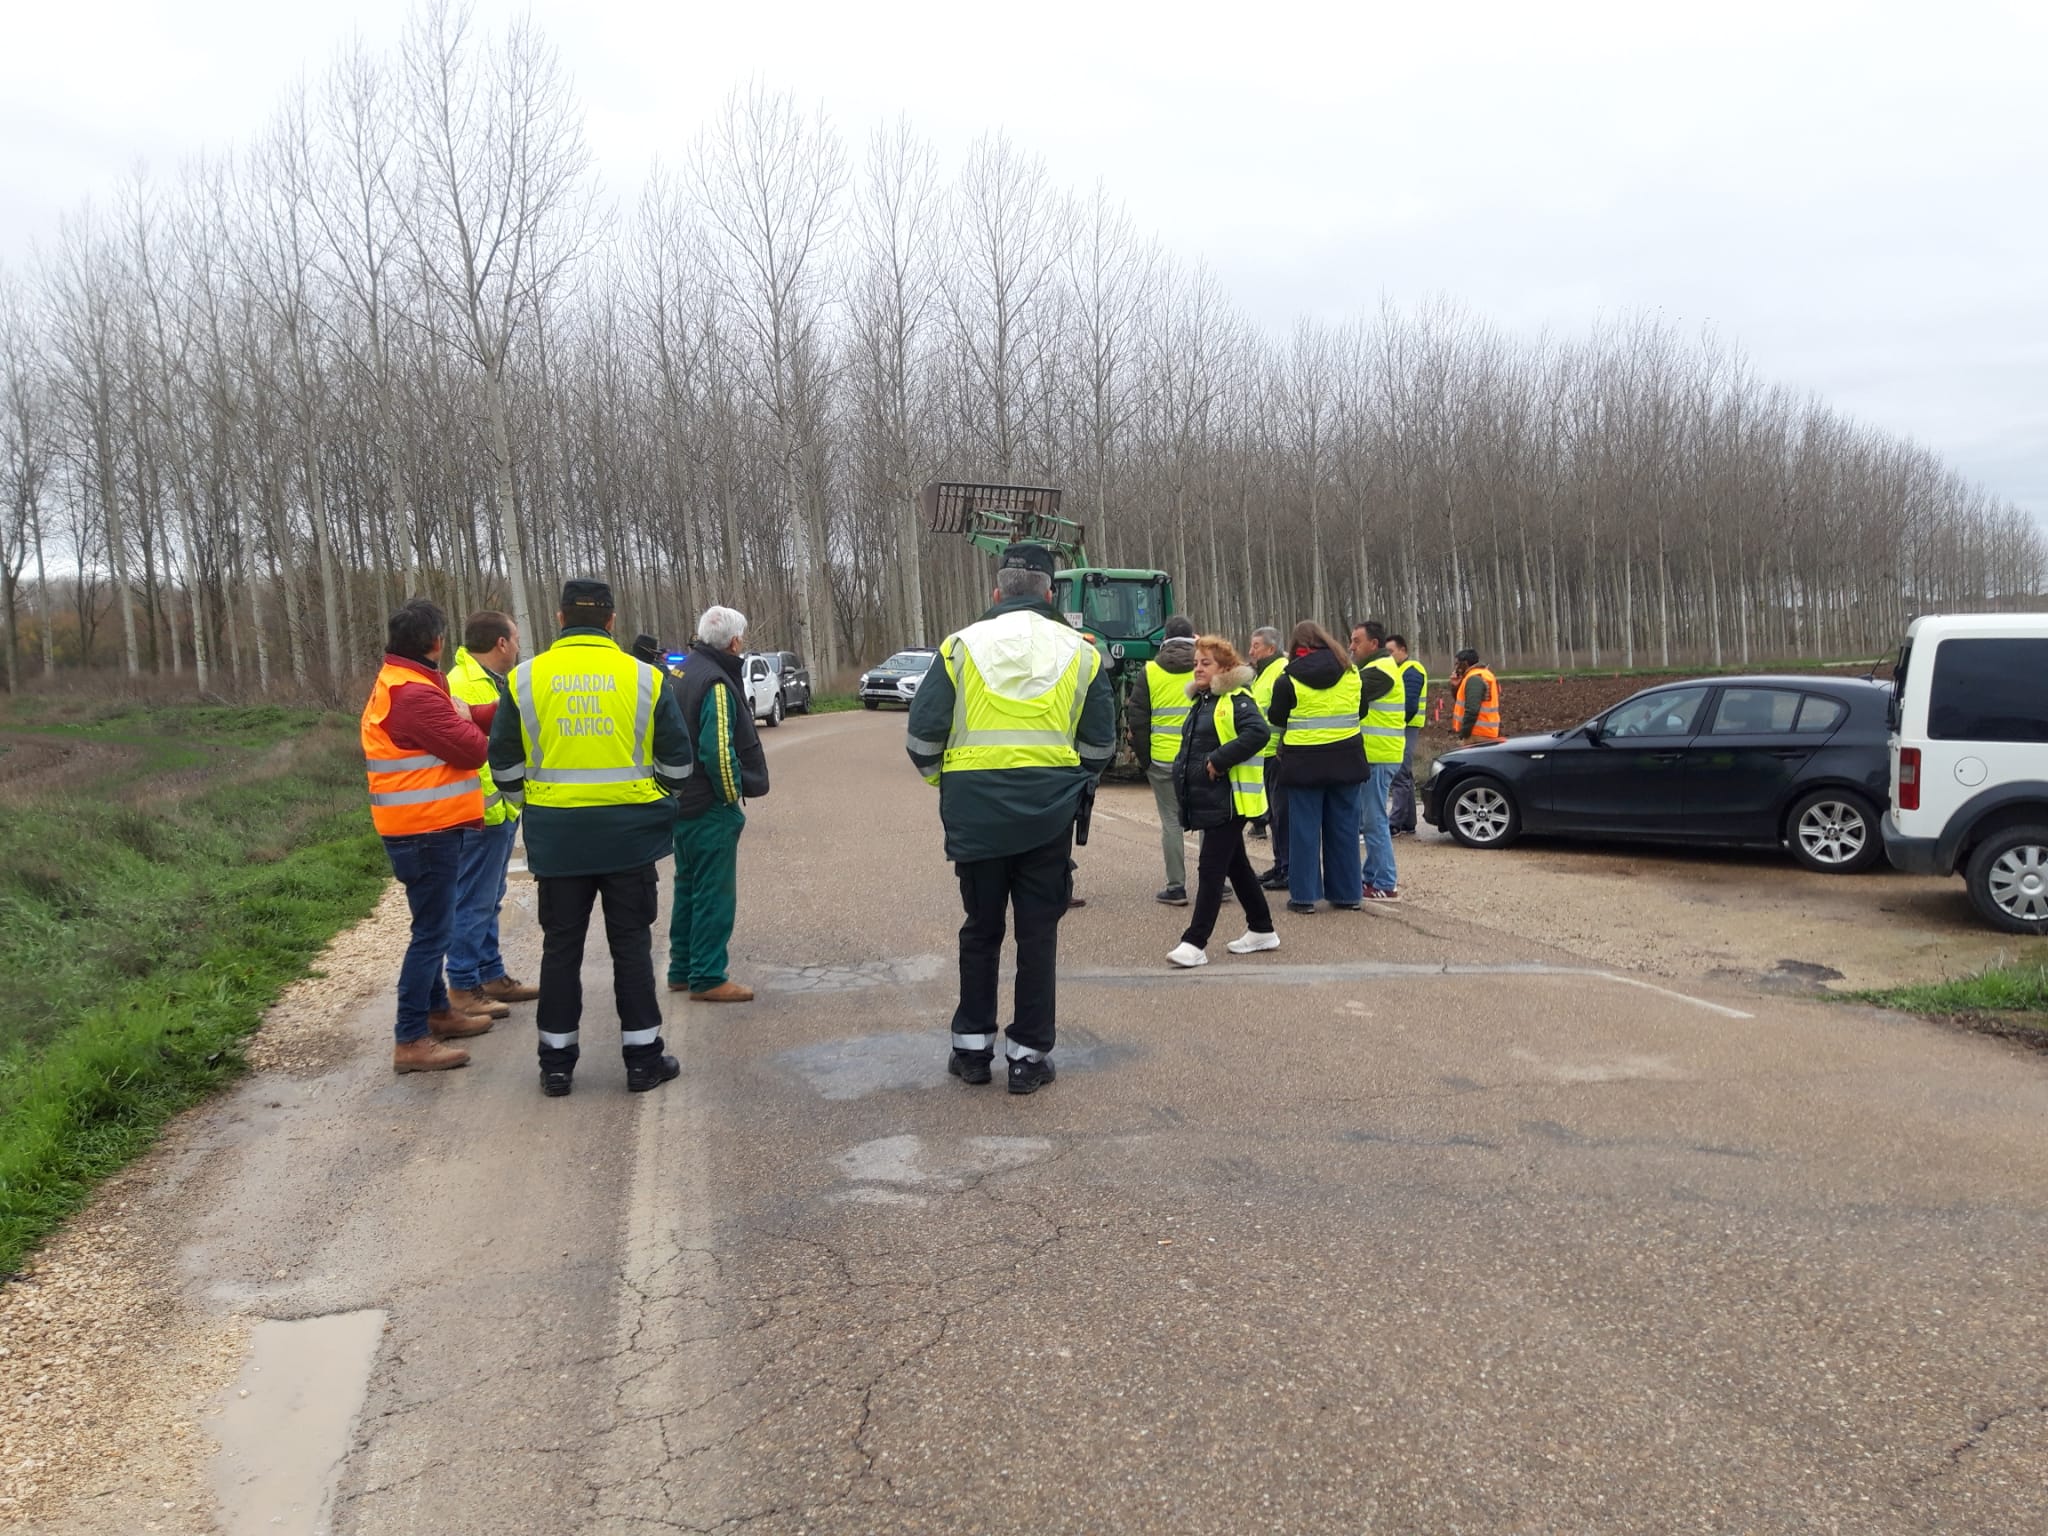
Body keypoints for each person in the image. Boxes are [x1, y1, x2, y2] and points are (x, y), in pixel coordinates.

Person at [907, 543, 1116, 1095]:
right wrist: (1072, 784)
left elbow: (922, 737)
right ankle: (1027, 1057)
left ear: (996, 593)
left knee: (980, 929)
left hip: (976, 813)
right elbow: (1099, 745)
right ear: (1051, 594)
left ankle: (971, 1049)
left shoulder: (959, 646)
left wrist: (950, 781)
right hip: (1048, 815)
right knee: (1037, 932)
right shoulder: (1082, 652)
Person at [489, 579, 693, 1098]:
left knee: (561, 949)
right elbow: (678, 765)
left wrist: (534, 805)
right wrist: (653, 799)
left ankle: (556, 1065)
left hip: (559, 841)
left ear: (559, 619)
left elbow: (505, 767)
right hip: (630, 838)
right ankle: (643, 1061)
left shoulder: (524, 679)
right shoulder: (645, 678)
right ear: (611, 620)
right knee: (631, 947)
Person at [363, 598, 501, 1073]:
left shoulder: (410, 681)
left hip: (424, 828)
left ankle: (438, 1013)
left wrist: (501, 708)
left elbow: (467, 720)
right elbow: (473, 751)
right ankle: (411, 1038)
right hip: (425, 831)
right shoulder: (414, 695)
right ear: (437, 642)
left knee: (434, 927)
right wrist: (472, 722)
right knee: (431, 934)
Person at [666, 605, 771, 1003]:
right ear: (733, 641)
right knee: (714, 891)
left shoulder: (683, 670)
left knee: (688, 886)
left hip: (682, 800)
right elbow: (717, 751)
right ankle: (708, 975)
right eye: (741, 637)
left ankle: (682, 967)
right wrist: (730, 801)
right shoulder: (715, 682)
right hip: (709, 805)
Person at [445, 611, 541, 1021]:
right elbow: (471, 748)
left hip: (498, 810)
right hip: (477, 812)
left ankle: (490, 974)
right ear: (501, 643)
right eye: (515, 638)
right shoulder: (462, 684)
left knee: (489, 899)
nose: (518, 646)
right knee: (473, 901)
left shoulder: (491, 681)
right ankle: (464, 986)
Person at [1166, 636, 1278, 968]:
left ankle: (1195, 942)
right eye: (1197, 662)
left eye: (1206, 663)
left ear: (1225, 668)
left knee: (1211, 868)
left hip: (1229, 800)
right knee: (1236, 865)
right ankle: (1262, 928)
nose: (1198, 668)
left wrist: (1219, 760)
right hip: (1214, 799)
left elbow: (1258, 733)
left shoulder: (1237, 699)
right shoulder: (1204, 700)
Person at [1265, 621, 1369, 912]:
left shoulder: (1288, 678)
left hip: (1304, 765)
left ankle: (1305, 897)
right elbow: (1362, 711)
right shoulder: (1351, 673)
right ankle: (1348, 894)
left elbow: (1277, 717)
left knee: (1304, 832)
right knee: (1345, 830)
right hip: (1347, 761)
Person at [1127, 615, 1198, 904]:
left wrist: (1145, 760)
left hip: (1163, 759)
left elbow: (1138, 719)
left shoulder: (1150, 671)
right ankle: (1215, 883)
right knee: (1209, 821)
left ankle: (1176, 887)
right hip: (1200, 758)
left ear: (1165, 638)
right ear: (1193, 637)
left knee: (1171, 822)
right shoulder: (1204, 665)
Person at [1349, 621, 1404, 902]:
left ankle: (1385, 881)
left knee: (1374, 821)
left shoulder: (1379, 672)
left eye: (1357, 641)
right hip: (1374, 754)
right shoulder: (1374, 668)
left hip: (1378, 755)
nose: (1351, 646)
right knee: (1370, 820)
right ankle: (1372, 877)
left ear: (1374, 644)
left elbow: (1350, 696)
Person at [1247, 626, 1290, 889]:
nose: (1250, 651)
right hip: (1263, 752)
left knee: (1282, 815)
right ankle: (1279, 864)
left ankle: (1287, 869)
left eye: (1256, 646)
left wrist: (1282, 746)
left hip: (1277, 753)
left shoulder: (1281, 671)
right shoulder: (1262, 673)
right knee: (1273, 815)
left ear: (1271, 649)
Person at [1386, 634, 1427, 837]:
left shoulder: (1411, 670)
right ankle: (1408, 822)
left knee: (1400, 773)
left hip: (1406, 726)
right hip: (1404, 725)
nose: (1389, 656)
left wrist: (1395, 723)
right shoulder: (1400, 669)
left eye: (1391, 651)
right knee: (1405, 774)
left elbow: (1409, 704)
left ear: (1403, 650)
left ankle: (1395, 822)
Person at [1452, 647, 1504, 743]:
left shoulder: (1474, 679)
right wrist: (1455, 686)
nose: (1456, 668)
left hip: (1476, 735)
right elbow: (1464, 702)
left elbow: (1472, 710)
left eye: (1457, 664)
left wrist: (1464, 733)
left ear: (1465, 663)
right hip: (1485, 733)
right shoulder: (1483, 674)